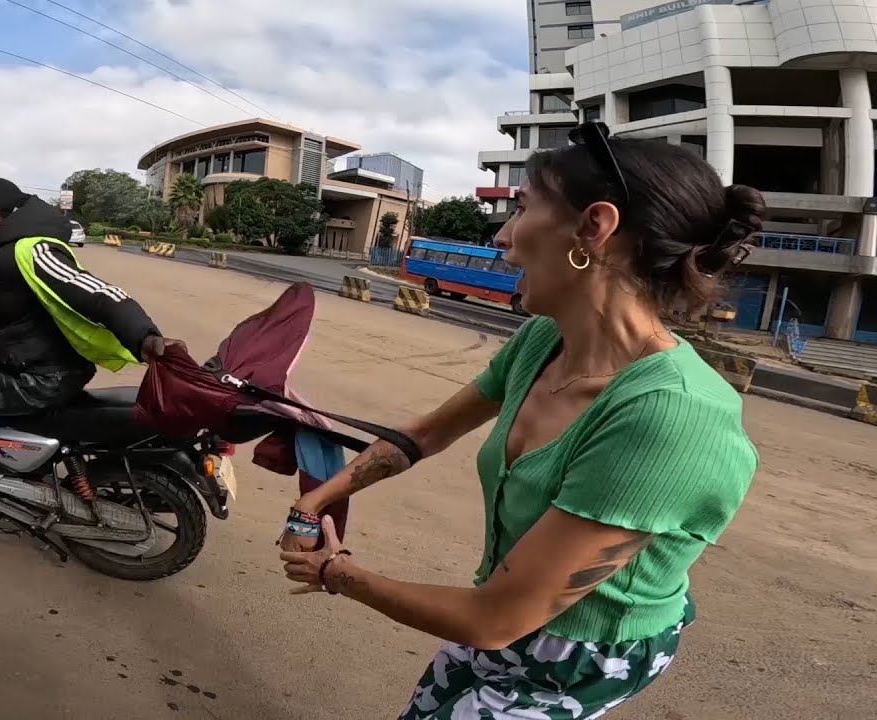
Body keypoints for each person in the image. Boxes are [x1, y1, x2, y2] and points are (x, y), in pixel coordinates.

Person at [278, 123, 760, 719]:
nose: (503, 237)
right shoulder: (541, 341)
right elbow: (427, 434)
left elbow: (495, 620)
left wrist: (336, 573)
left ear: (594, 228)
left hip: (581, 655)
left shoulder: (672, 416)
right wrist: (317, 500)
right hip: (500, 615)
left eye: (523, 209)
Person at [0, 176, 174, 523]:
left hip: (38, 375)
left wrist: (145, 336)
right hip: (29, 358)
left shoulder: (31, 249)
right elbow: (14, 300)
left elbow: (97, 293)